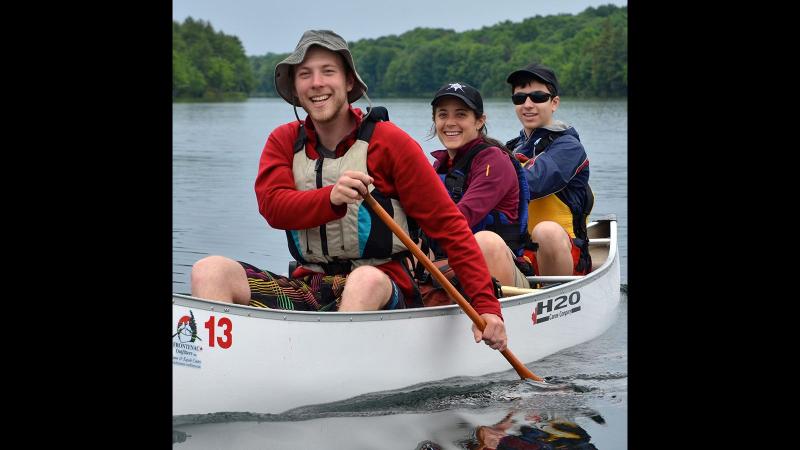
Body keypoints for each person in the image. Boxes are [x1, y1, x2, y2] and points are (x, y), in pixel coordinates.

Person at [190, 30, 507, 351]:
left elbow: (451, 228)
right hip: (309, 283)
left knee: (365, 279)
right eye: (305, 74)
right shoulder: (283, 141)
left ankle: (330, 370)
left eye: (328, 71)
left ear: (349, 83)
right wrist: (331, 198)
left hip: (385, 285)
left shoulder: (390, 143)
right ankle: (223, 364)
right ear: (296, 89)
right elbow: (273, 207)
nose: (316, 82)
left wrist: (488, 308)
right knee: (209, 270)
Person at [423, 82, 532, 291]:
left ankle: (499, 315)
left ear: (480, 121)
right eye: (443, 115)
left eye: (461, 115)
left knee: (486, 241)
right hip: (454, 269)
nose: (450, 123)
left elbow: (463, 217)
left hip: (503, 273)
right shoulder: (439, 166)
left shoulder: (494, 161)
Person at [505, 63, 594, 277]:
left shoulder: (569, 147)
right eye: (520, 98)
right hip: (521, 254)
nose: (527, 104)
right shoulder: (509, 148)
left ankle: (555, 296)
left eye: (537, 97)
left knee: (546, 231)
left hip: (564, 252)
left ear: (554, 103)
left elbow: (534, 182)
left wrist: (485, 184)